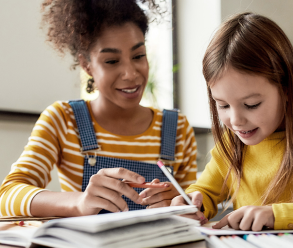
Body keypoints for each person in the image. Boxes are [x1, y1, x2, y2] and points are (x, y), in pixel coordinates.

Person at [171, 12, 293, 231]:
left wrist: (276, 214)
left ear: (287, 89)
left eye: (252, 105)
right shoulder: (231, 144)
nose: (236, 121)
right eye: (223, 105)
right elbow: (206, 193)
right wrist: (191, 203)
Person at [0, 0, 197, 217]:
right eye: (112, 61)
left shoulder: (177, 128)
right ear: (86, 65)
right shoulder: (63, 120)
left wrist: (181, 204)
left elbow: (193, 207)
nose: (130, 73)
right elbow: (7, 195)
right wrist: (78, 202)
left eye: (138, 56)